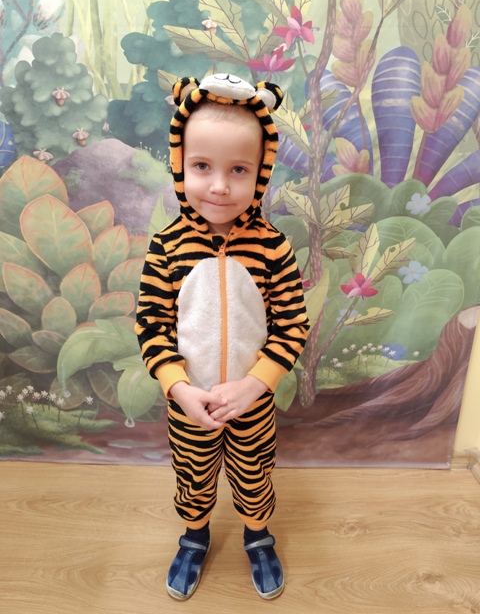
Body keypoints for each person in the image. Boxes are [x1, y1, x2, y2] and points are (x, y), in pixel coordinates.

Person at [135, 73, 309, 601]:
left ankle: (258, 535)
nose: (219, 186)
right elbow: (151, 325)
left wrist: (255, 385)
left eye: (238, 170)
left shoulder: (273, 248)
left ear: (261, 172)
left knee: (255, 474)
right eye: (202, 167)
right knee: (192, 474)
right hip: (190, 403)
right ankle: (194, 535)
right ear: (179, 164)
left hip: (252, 403)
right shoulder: (166, 248)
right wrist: (180, 389)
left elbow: (292, 325)